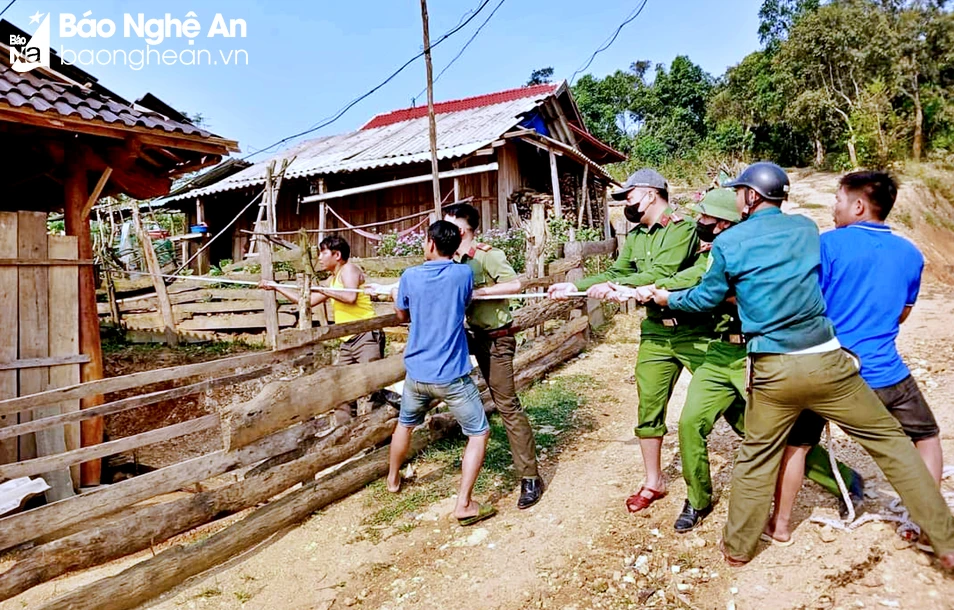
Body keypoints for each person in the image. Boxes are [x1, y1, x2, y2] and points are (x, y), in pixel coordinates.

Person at [649, 162, 954, 568]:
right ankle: (947, 542)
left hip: (773, 368)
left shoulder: (730, 243)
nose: (736, 197)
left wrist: (669, 299)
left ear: (752, 197)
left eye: (740, 192)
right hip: (828, 362)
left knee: (757, 455)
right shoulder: (807, 229)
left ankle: (739, 548)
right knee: (894, 446)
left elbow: (706, 299)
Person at [608, 189, 862, 534]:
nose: (699, 224)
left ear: (725, 221)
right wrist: (657, 290)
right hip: (719, 351)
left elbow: (723, 295)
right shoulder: (712, 252)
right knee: (689, 424)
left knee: (779, 434)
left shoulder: (755, 252)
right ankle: (698, 499)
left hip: (754, 354)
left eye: (705, 218)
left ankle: (845, 479)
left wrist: (669, 294)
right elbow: (696, 282)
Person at [767, 171, 944, 548]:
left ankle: (780, 526)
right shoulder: (910, 253)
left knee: (796, 445)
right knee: (925, 437)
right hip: (883, 372)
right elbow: (903, 313)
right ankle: (929, 526)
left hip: (827, 369)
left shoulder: (826, 246)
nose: (834, 207)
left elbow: (806, 306)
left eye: (838, 200)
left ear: (858, 205)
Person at [549, 168, 712, 514]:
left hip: (695, 330)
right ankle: (654, 481)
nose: (627, 203)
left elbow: (662, 276)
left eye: (630, 196)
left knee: (732, 402)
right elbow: (616, 272)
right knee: (648, 406)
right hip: (656, 330)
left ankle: (776, 460)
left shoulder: (682, 228)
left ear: (651, 194)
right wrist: (574, 287)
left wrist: (615, 288)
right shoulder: (637, 236)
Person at [386, 221, 496, 526]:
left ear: (431, 245)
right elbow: (465, 303)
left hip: (416, 374)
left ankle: (393, 479)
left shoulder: (409, 276)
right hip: (452, 377)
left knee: (404, 425)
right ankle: (463, 504)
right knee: (479, 431)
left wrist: (398, 296)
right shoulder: (463, 274)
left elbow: (401, 315)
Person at [444, 203, 544, 509]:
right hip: (470, 336)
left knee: (507, 405)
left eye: (448, 225)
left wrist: (477, 293)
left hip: (496, 340)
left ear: (461, 230)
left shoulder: (487, 255)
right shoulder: (453, 260)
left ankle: (529, 476)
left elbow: (515, 284)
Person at [260, 235, 384, 424]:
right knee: (340, 388)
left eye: (323, 252)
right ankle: (346, 434)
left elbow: (350, 296)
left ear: (337, 254)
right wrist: (276, 287)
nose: (319, 258)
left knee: (372, 385)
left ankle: (380, 432)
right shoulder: (332, 280)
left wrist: (324, 290)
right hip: (347, 340)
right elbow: (305, 301)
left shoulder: (348, 269)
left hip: (365, 335)